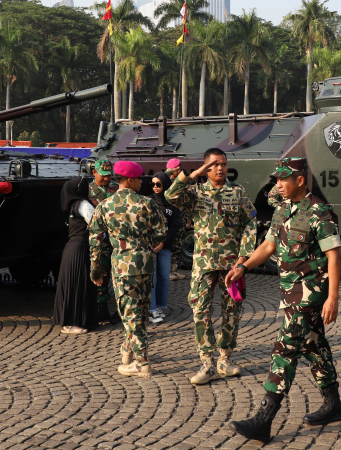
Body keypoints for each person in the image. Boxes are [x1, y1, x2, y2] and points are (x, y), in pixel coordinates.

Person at [227, 157, 341, 443]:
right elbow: (268, 245)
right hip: (290, 291)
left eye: (283, 179)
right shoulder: (283, 209)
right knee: (314, 345)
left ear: (300, 180)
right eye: (276, 179)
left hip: (309, 294)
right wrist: (243, 266)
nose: (278, 184)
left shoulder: (319, 212)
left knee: (286, 349)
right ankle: (333, 405)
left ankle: (263, 420)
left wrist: (333, 298)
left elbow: (334, 255)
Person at [165, 148, 257, 385]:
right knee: (201, 311)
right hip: (203, 263)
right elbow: (170, 196)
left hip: (231, 265)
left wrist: (243, 258)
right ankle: (207, 363)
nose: (219, 168)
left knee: (232, 312)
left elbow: (250, 224)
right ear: (206, 168)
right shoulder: (195, 193)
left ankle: (225, 360)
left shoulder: (237, 192)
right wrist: (193, 174)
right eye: (214, 164)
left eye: (223, 164)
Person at [90, 160, 166, 378]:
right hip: (146, 264)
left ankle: (141, 363)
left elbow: (95, 239)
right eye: (140, 178)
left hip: (123, 267)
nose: (142, 182)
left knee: (130, 313)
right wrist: (146, 242)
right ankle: (127, 350)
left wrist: (96, 269)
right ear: (130, 180)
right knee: (139, 312)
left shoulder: (104, 205)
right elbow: (161, 232)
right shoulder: (147, 204)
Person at [53, 176, 99, 334]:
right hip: (81, 248)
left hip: (72, 248)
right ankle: (72, 323)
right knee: (79, 285)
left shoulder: (71, 206)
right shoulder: (84, 205)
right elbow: (97, 225)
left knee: (73, 285)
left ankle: (69, 321)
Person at [148, 171, 182, 323]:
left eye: (158, 184)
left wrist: (163, 243)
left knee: (163, 277)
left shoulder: (173, 204)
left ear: (165, 185)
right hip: (150, 246)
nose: (155, 187)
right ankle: (152, 309)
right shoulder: (148, 201)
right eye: (153, 184)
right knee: (151, 278)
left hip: (165, 245)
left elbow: (175, 227)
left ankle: (159, 305)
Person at [89, 159, 119, 324]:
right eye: (103, 175)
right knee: (100, 274)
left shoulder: (116, 188)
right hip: (98, 239)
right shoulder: (88, 190)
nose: (107, 179)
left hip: (115, 238)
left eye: (109, 175)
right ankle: (101, 310)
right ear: (94, 172)